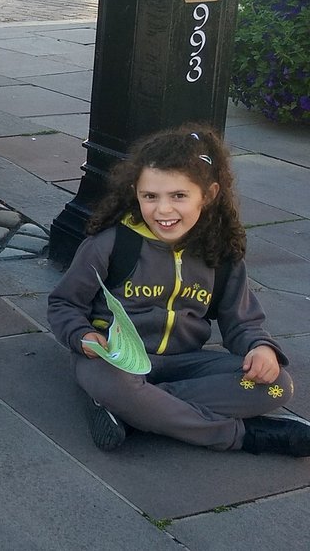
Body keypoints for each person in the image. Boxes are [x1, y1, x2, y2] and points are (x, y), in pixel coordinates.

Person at [48, 125, 310, 456]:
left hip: (185, 364)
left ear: (209, 195)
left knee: (276, 386)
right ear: (136, 192)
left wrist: (261, 349)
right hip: (115, 364)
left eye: (179, 196)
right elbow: (64, 304)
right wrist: (82, 335)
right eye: (150, 196)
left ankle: (134, 410)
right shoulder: (111, 244)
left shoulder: (219, 254)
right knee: (115, 384)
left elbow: (242, 321)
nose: (163, 210)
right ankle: (242, 436)